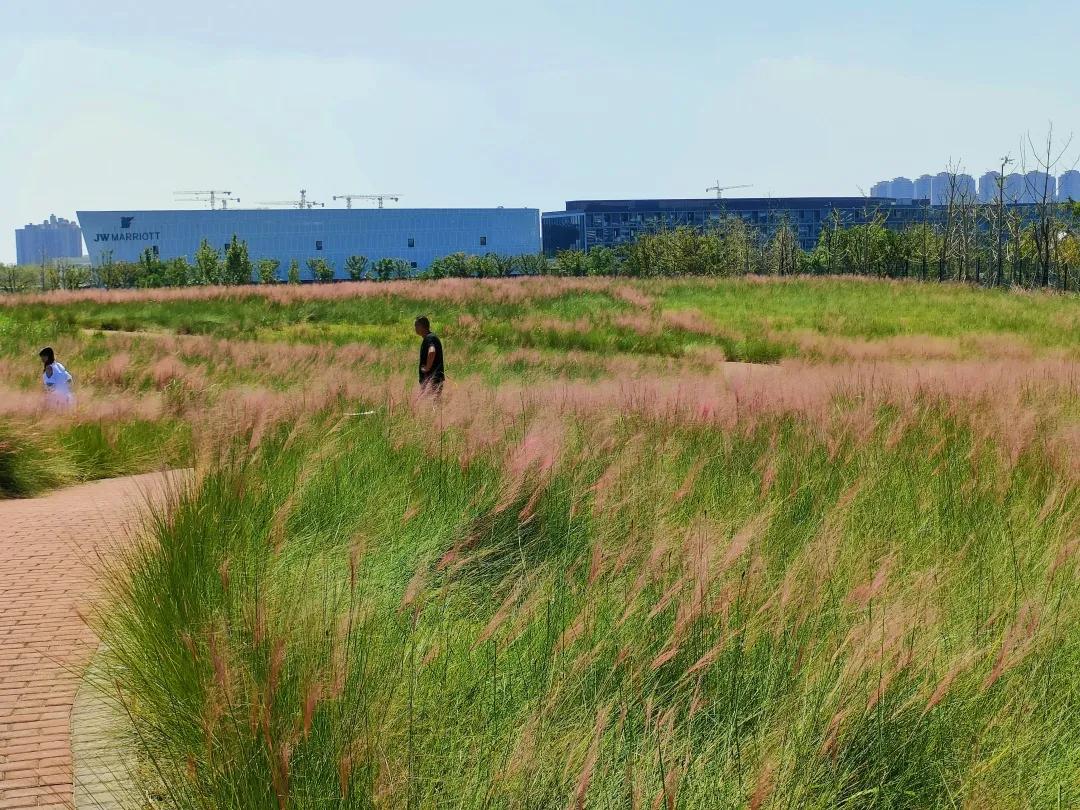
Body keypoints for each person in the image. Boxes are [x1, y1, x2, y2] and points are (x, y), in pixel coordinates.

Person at [414, 316, 445, 395]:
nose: (415, 328)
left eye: (416, 325)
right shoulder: (430, 337)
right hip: (432, 379)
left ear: (422, 326)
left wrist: (427, 367)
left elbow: (432, 351)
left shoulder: (430, 338)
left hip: (432, 379)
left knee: (430, 404)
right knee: (432, 404)